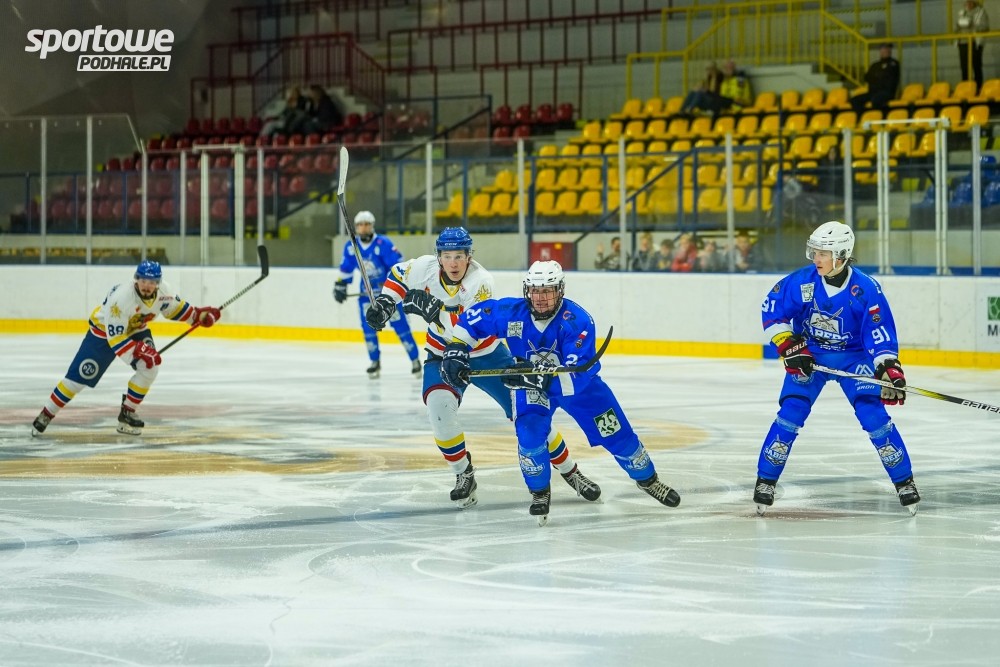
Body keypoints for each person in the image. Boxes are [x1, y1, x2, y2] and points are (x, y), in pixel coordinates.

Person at [364, 227, 601, 509]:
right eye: (447, 256)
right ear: (439, 257)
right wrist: (385, 302)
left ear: (469, 256)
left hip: (486, 353)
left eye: (459, 256)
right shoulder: (424, 268)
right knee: (439, 411)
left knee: (529, 415)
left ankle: (571, 471)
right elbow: (398, 276)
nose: (453, 263)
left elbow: (472, 327)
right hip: (440, 353)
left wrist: (437, 310)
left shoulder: (481, 281)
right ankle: (463, 473)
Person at [439, 260, 682, 524]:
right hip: (531, 386)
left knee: (617, 435)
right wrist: (457, 348)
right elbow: (472, 319)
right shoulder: (512, 313)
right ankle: (540, 492)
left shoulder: (577, 321)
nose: (541, 298)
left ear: (560, 290)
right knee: (529, 435)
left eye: (547, 291)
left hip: (579, 389)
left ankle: (648, 480)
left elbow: (575, 376)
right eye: (535, 291)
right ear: (527, 291)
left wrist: (536, 378)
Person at [754, 221, 919, 515]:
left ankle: (904, 481)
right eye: (814, 252)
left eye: (823, 253)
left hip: (853, 359)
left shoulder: (866, 289)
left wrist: (888, 367)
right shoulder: (802, 282)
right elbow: (772, 309)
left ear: (841, 255)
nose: (815, 258)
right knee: (791, 411)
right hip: (811, 355)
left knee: (873, 415)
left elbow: (878, 332)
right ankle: (765, 480)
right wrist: (789, 346)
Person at [30, 260, 222, 437]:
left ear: (158, 283)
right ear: (136, 279)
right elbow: (116, 339)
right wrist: (138, 351)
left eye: (151, 282)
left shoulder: (164, 291)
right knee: (77, 380)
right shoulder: (121, 299)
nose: (147, 285)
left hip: (136, 328)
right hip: (104, 332)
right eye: (143, 280)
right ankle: (47, 413)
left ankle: (127, 413)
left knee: (150, 367)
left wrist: (199, 316)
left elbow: (175, 309)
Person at [333, 211, 420, 378]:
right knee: (368, 328)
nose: (363, 228)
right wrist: (341, 285)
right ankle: (374, 362)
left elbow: (397, 266)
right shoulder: (351, 246)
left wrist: (393, 285)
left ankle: (415, 360)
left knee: (401, 327)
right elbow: (346, 268)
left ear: (372, 226)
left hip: (389, 296)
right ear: (356, 227)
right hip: (366, 295)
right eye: (360, 225)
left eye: (366, 224)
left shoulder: (383, 243)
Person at [849, 43, 900, 114]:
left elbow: (889, 78)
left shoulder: (894, 63)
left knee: (876, 99)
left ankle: (879, 116)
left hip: (887, 92)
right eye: (884, 48)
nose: (886, 50)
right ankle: (862, 116)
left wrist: (877, 77)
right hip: (873, 92)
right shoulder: (875, 65)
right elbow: (867, 77)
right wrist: (878, 77)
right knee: (855, 100)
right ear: (880, 50)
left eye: (888, 48)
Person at [956, 0, 989, 90]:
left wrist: (972, 25)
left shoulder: (981, 12)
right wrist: (959, 26)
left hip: (975, 42)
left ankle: (978, 88)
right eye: (967, 2)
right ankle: (965, 88)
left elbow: (985, 27)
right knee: (964, 67)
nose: (969, 4)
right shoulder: (962, 12)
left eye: (971, 2)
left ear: (975, 3)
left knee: (976, 66)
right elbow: (956, 27)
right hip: (963, 42)